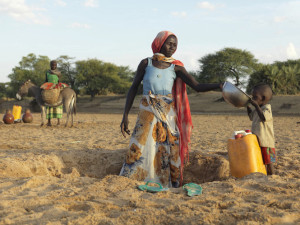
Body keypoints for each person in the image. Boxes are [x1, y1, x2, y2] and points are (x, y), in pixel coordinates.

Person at [119, 31, 223, 188]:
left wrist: (219, 85)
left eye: (175, 44)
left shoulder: (177, 68)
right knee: (141, 145)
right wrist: (125, 115)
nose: (172, 47)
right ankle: (134, 179)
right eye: (169, 43)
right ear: (159, 43)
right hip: (146, 112)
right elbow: (133, 88)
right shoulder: (146, 63)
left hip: (167, 114)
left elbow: (197, 86)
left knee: (167, 148)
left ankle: (163, 181)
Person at [247, 83, 276, 175]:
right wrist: (248, 107)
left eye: (255, 97)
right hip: (258, 139)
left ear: (263, 98)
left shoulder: (267, 109)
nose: (253, 99)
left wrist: (256, 106)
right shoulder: (258, 109)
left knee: (269, 160)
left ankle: (272, 174)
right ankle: (264, 173)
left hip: (267, 141)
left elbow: (263, 117)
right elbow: (251, 117)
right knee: (261, 158)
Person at [43, 60, 63, 126]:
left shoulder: (58, 72)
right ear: (50, 65)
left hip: (56, 90)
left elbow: (59, 81)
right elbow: (46, 81)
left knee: (58, 104)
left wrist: (58, 86)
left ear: (56, 65)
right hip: (49, 90)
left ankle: (59, 122)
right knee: (48, 105)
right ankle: (49, 122)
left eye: (55, 65)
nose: (54, 66)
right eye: (52, 65)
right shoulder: (47, 72)